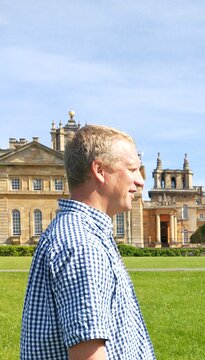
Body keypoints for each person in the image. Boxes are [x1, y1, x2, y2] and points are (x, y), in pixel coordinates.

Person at [20, 125, 156, 359]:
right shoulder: (82, 245)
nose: (140, 180)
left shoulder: (83, 233)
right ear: (100, 170)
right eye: (132, 169)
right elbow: (88, 355)